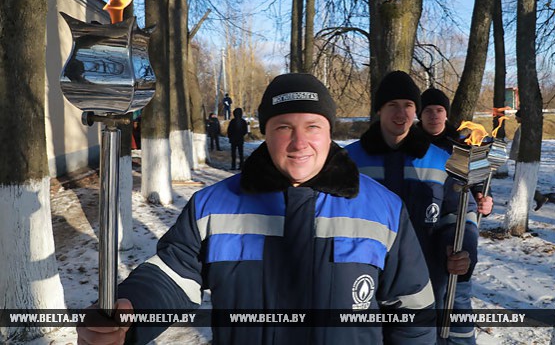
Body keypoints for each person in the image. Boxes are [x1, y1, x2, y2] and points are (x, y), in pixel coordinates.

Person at [77, 73, 436, 345]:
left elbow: (412, 309)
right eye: (284, 127)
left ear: (330, 132)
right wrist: (131, 309)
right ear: (265, 132)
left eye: (313, 126)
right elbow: (173, 276)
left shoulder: (382, 208)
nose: (299, 142)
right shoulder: (213, 206)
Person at [345, 72, 488, 343]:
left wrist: (461, 247)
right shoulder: (348, 160)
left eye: (408, 106)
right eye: (392, 106)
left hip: (425, 279)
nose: (401, 113)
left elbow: (460, 211)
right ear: (379, 110)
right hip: (363, 279)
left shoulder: (444, 160)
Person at [418, 87, 493, 344]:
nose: (434, 116)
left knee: (459, 271)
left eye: (439, 110)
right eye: (428, 110)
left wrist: (485, 198)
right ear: (420, 114)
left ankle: (460, 338)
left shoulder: (461, 143)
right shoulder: (413, 143)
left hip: (459, 216)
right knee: (431, 285)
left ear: (446, 114)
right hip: (424, 217)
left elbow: (480, 184)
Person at [509, 109, 548, 210]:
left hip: (522, 158)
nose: (515, 118)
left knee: (520, 179)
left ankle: (538, 197)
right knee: (519, 179)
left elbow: (519, 144)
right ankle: (533, 197)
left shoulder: (524, 129)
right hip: (520, 157)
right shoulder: (524, 128)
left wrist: (517, 155)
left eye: (517, 116)